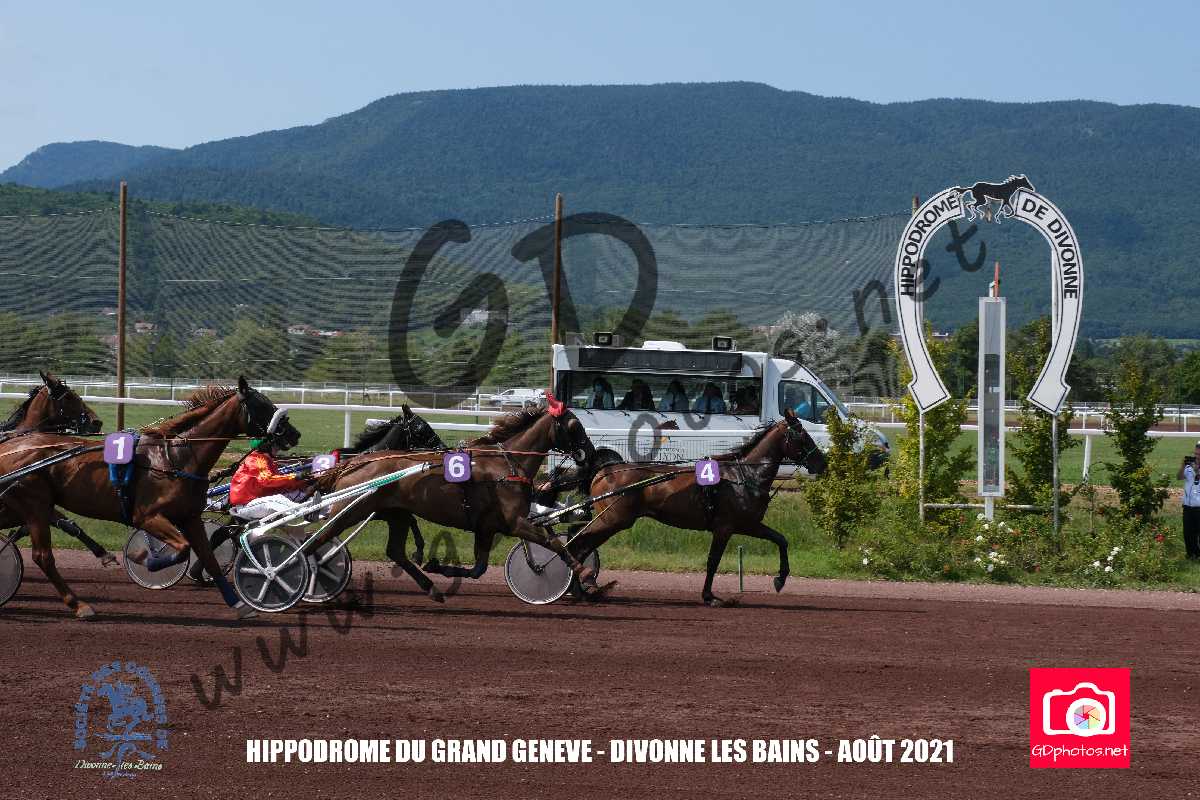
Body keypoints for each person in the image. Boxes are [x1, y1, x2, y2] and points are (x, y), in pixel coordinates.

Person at [229, 437, 312, 519]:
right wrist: (294, 476)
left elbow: (278, 485)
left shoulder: (267, 461)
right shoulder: (256, 460)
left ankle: (313, 507)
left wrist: (303, 483)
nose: (278, 449)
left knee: (298, 494)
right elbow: (267, 480)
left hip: (257, 501)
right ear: (265, 446)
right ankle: (306, 512)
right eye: (275, 446)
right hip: (246, 505)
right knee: (277, 499)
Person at [1177, 441, 1200, 559]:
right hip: (1187, 505)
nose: (1197, 457)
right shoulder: (1188, 466)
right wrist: (1183, 465)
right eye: (1196, 454)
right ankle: (1191, 554)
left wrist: (1197, 471)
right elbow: (1179, 477)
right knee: (1188, 533)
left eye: (1199, 454)